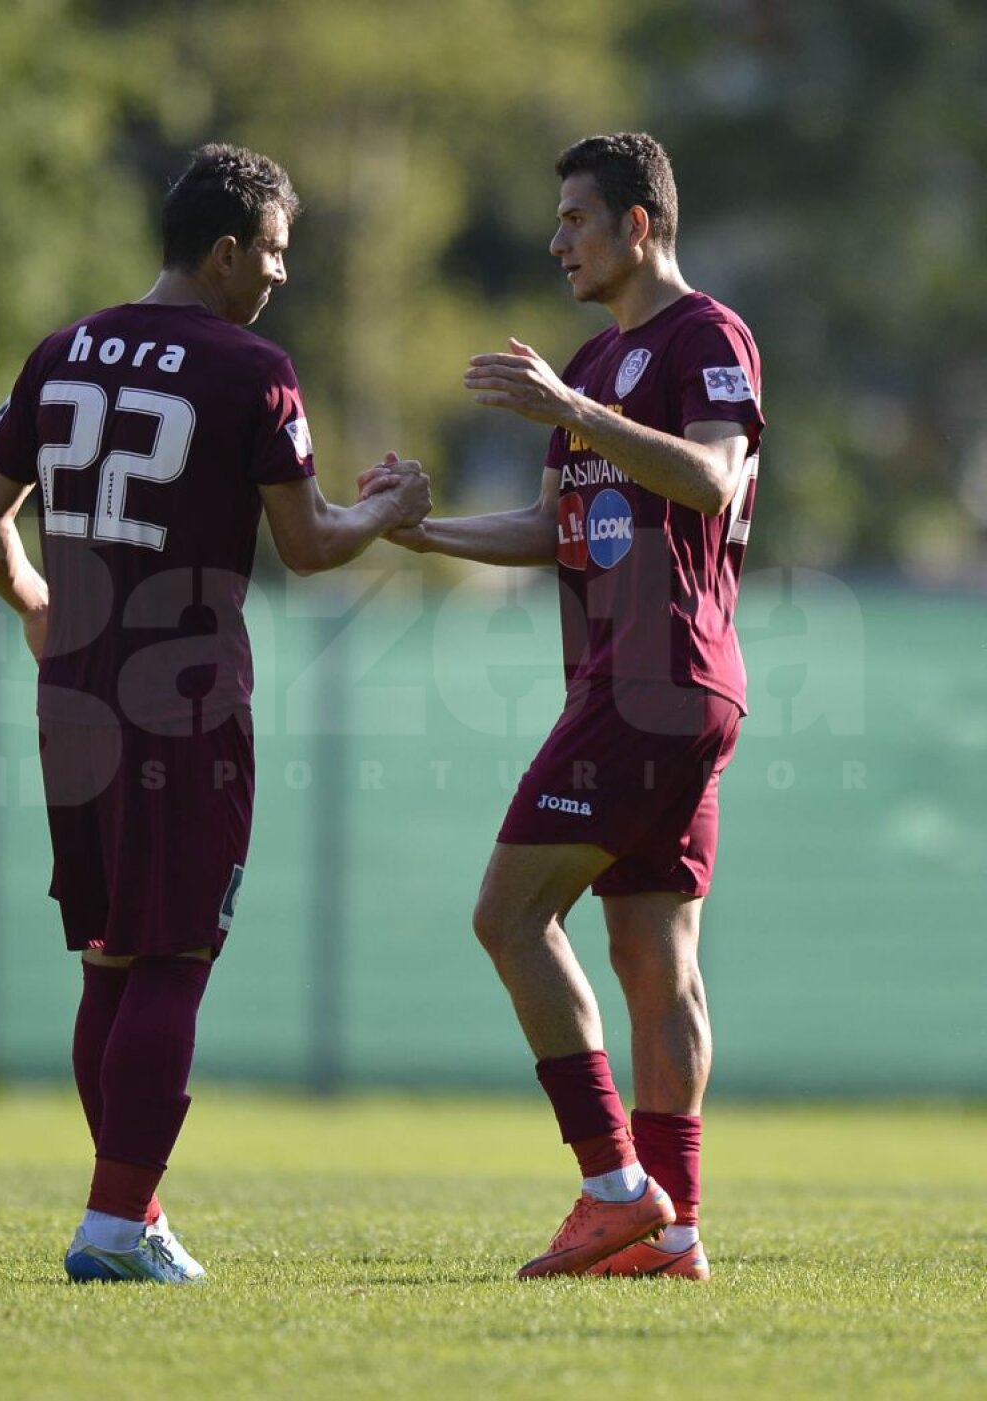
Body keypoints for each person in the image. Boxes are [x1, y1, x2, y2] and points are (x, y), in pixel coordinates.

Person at [0, 143, 430, 1285]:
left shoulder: (59, 348)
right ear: (225, 251)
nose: (279, 275)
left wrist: (33, 602)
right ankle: (116, 1227)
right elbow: (312, 546)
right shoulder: (251, 366)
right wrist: (388, 509)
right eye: (273, 252)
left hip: (71, 690)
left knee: (109, 959)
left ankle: (133, 1212)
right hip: (183, 699)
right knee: (172, 958)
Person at [368, 132, 762, 1280]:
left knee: (507, 915)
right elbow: (553, 530)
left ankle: (613, 1187)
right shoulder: (588, 366)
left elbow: (712, 476)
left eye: (577, 220)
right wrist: (418, 529)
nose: (557, 242)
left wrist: (570, 410)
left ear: (639, 226)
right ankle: (669, 1231)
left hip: (660, 677)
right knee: (652, 955)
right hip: (640, 683)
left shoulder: (706, 335)